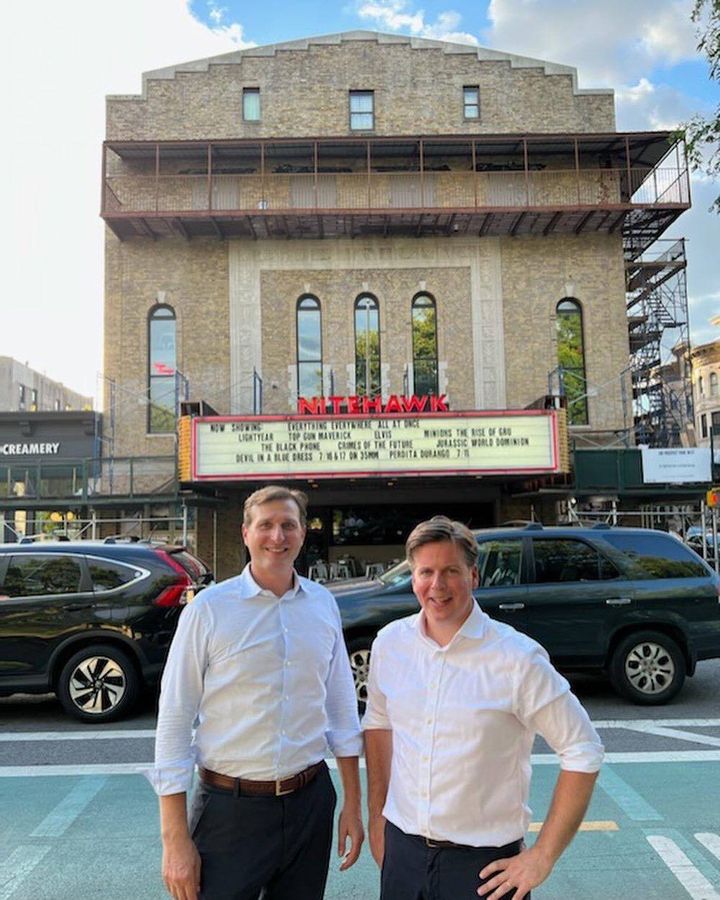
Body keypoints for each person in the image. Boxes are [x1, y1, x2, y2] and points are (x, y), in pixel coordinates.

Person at [364, 516, 603, 900]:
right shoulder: (390, 644)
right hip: (403, 855)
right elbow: (378, 723)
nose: (437, 585)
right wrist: (377, 817)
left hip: (485, 869)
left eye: (451, 571)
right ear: (413, 577)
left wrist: (542, 856)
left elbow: (583, 749)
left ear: (474, 576)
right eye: (426, 571)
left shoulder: (517, 657)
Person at [148, 485, 364, 900]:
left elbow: (341, 712)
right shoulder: (208, 610)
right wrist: (174, 840)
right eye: (266, 525)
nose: (277, 537)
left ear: (303, 533)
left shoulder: (323, 605)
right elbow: (174, 721)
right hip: (230, 810)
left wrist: (352, 804)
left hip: (309, 804)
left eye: (289, 525)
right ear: (245, 532)